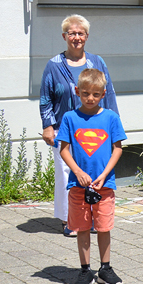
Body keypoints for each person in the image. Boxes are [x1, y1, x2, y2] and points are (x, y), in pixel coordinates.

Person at [40, 15, 118, 237]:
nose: (76, 37)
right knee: (67, 173)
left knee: (93, 170)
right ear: (64, 36)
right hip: (65, 128)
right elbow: (46, 98)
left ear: (87, 36)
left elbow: (109, 93)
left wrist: (114, 124)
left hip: (96, 129)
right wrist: (48, 126)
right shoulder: (54, 65)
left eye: (80, 33)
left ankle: (93, 217)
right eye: (72, 33)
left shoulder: (97, 62)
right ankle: (69, 220)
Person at [56, 69, 126, 284]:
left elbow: (117, 149)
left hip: (104, 186)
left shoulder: (111, 118)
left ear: (103, 94)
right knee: (82, 228)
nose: (90, 98)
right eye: (85, 93)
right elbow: (64, 150)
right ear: (77, 91)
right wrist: (77, 172)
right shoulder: (70, 118)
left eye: (96, 94)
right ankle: (85, 270)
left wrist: (104, 175)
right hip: (78, 187)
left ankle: (105, 269)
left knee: (104, 227)